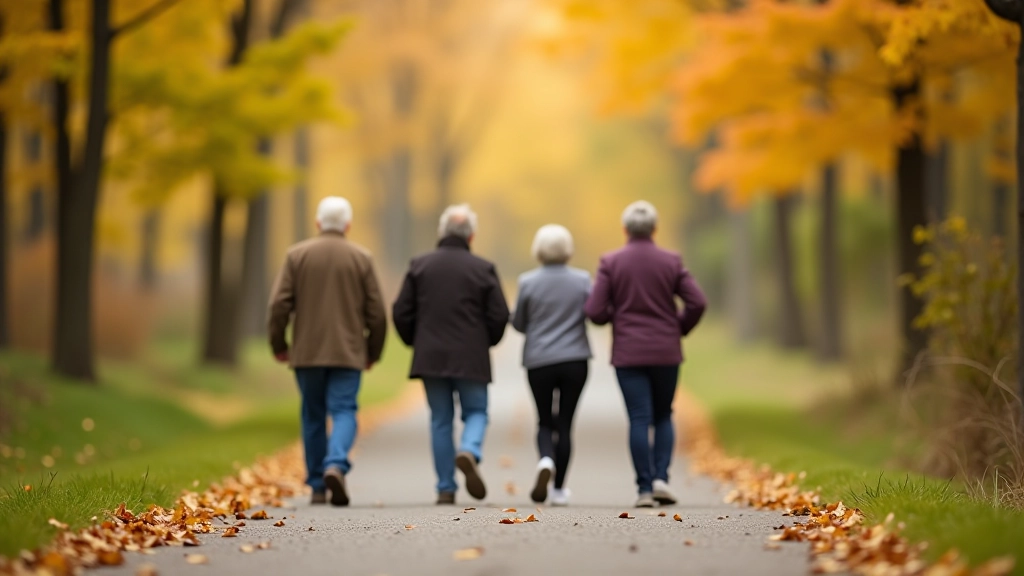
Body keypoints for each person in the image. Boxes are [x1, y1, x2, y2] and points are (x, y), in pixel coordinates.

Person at [584, 200, 707, 508]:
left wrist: (619, 316)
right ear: (655, 229)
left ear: (625, 230)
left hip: (629, 352)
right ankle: (661, 478)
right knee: (664, 414)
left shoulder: (611, 262)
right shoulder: (671, 261)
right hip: (666, 350)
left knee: (639, 417)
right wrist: (678, 327)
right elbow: (698, 302)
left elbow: (595, 312)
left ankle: (643, 489)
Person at [267, 196, 387, 507]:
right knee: (345, 410)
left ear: (319, 223)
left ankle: (319, 484)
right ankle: (336, 463)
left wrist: (280, 345)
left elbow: (279, 305)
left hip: (307, 353)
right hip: (348, 353)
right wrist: (373, 350)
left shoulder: (297, 256)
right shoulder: (362, 258)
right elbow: (376, 312)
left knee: (313, 414)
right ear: (347, 225)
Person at [392, 204, 510, 505]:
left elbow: (401, 310)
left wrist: (414, 341)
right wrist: (489, 341)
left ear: (442, 232)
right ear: (471, 235)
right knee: (476, 412)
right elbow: (499, 314)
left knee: (440, 420)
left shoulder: (419, 265)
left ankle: (445, 487)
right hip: (471, 356)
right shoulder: (483, 269)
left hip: (430, 355)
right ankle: (469, 449)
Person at [511, 225, 592, 507]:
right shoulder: (583, 280)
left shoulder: (527, 282)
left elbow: (519, 323)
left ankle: (546, 459)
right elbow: (593, 313)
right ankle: (558, 490)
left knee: (544, 420)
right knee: (566, 423)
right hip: (575, 360)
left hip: (539, 360)